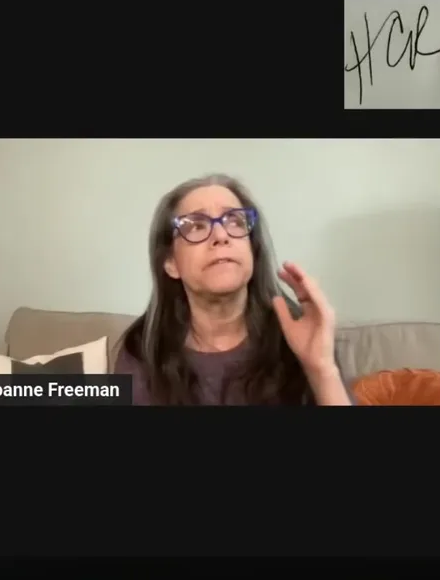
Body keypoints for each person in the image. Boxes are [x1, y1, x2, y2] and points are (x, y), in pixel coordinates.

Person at [114, 174, 352, 406]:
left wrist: (322, 370)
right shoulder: (141, 349)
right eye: (196, 226)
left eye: (235, 221)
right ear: (171, 263)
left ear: (252, 250)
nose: (221, 235)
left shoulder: (302, 335)